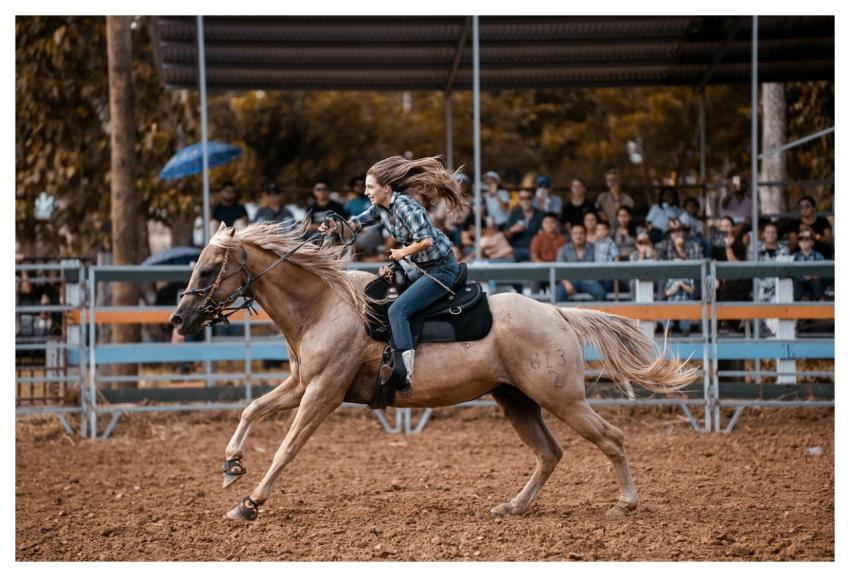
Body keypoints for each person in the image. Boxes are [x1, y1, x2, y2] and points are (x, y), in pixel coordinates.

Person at [320, 156, 465, 387]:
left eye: (370, 187)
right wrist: (334, 226)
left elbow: (426, 241)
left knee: (398, 310)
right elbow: (357, 223)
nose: (366, 192)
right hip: (418, 268)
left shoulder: (406, 207)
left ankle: (404, 372)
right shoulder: (381, 207)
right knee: (378, 296)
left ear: (386, 188)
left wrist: (402, 253)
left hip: (440, 270)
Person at [554, 223, 607, 302]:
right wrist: (566, 283)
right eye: (575, 233)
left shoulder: (594, 248)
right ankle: (568, 314)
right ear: (571, 235)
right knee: (557, 293)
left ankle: (592, 314)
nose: (578, 236)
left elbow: (599, 266)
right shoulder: (563, 250)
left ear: (585, 234)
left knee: (601, 292)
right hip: (569, 280)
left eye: (581, 233)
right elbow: (558, 270)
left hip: (589, 281)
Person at [504, 189, 544, 262]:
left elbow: (542, 234)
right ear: (519, 200)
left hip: (534, 250)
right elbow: (506, 236)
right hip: (516, 250)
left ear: (532, 199)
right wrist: (512, 230)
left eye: (528, 198)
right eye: (522, 198)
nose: (525, 201)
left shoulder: (539, 214)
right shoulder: (514, 213)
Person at [792, 228, 826, 301]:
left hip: (814, 281)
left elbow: (823, 270)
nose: (803, 241)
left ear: (813, 242)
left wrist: (812, 276)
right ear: (798, 242)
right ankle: (802, 302)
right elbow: (791, 271)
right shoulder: (794, 256)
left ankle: (820, 303)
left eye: (807, 239)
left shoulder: (818, 255)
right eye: (800, 239)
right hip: (800, 282)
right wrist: (803, 277)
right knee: (796, 282)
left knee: (817, 283)